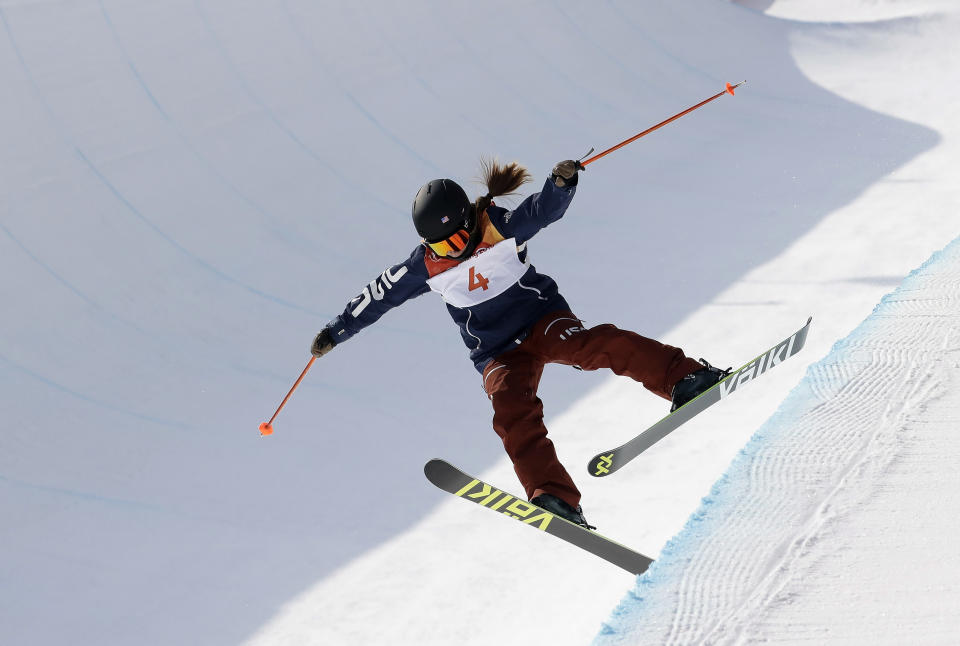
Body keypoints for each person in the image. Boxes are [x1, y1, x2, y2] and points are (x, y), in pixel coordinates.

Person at [311, 158, 727, 528]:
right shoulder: (425, 266)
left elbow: (543, 211)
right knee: (511, 410)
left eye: (456, 241)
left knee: (590, 346)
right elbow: (376, 296)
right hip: (496, 352)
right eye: (439, 246)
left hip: (541, 319)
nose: (452, 253)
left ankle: (685, 377)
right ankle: (554, 496)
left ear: (468, 222)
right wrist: (336, 331)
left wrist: (561, 184)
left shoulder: (498, 226)